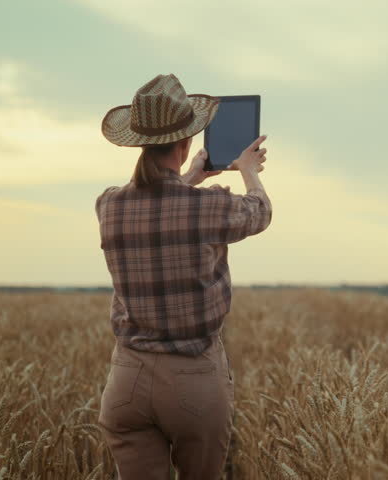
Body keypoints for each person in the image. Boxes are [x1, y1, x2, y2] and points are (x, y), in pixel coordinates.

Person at [94, 74, 271, 479]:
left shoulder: (108, 206)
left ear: (139, 141)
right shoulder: (208, 208)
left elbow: (151, 204)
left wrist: (189, 176)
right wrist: (248, 170)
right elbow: (260, 211)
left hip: (127, 382)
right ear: (186, 142)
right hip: (193, 379)